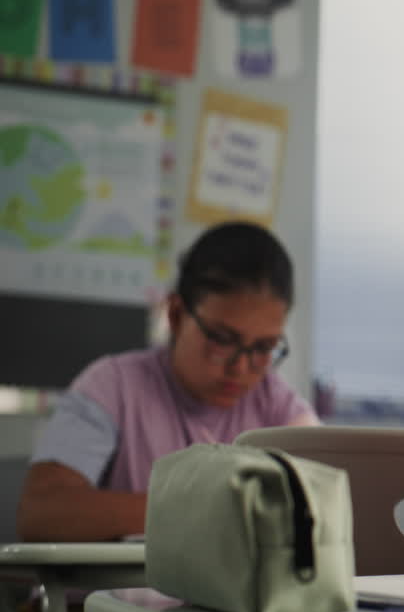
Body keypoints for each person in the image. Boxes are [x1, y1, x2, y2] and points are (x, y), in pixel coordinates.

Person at [17, 221, 318, 542]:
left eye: (263, 348)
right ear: (176, 315)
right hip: (111, 594)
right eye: (221, 339)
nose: (241, 367)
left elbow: (326, 508)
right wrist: (211, 510)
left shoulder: (281, 410)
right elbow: (42, 513)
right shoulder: (112, 387)